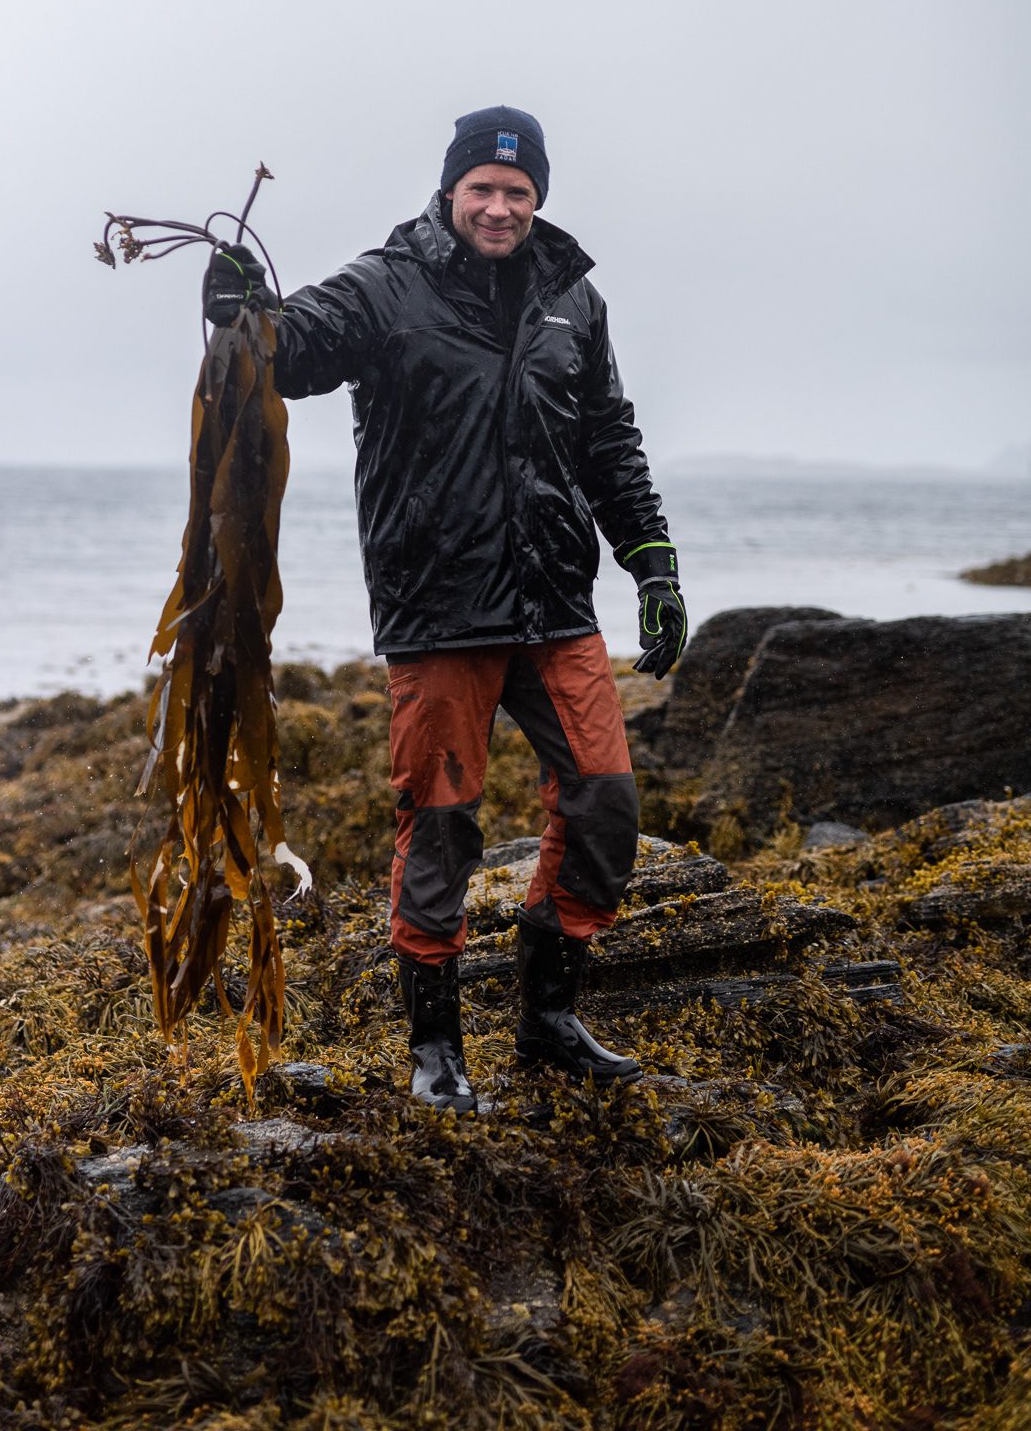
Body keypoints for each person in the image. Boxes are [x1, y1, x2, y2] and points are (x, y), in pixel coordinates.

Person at [203, 106, 687, 1114]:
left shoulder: (574, 299)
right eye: (483, 189)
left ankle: (549, 1020)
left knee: (605, 804)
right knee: (440, 827)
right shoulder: (388, 284)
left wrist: (652, 563)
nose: (499, 207)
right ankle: (435, 1047)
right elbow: (295, 349)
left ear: (538, 197)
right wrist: (245, 315)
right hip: (439, 607)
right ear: (451, 190)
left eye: (518, 191)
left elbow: (609, 441)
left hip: (554, 604)